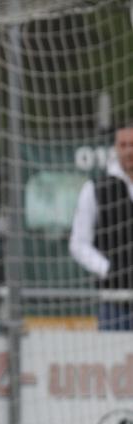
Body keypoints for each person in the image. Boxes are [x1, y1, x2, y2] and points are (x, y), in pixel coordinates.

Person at [69, 123, 133, 330]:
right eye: (123, 145)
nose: (129, 150)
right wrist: (108, 269)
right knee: (116, 360)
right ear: (115, 148)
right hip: (115, 300)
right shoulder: (96, 188)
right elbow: (78, 243)